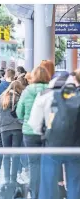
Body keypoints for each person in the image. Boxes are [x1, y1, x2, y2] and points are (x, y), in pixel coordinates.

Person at [28, 71, 80, 199]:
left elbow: (34, 124)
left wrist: (45, 134)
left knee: (48, 184)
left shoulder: (44, 95)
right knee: (75, 183)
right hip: (75, 146)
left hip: (52, 145)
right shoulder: (77, 95)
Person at [16, 66, 51, 199]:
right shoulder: (51, 90)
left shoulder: (27, 91)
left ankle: (35, 194)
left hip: (29, 132)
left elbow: (19, 111)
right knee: (47, 162)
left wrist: (25, 118)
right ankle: (47, 193)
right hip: (47, 131)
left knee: (33, 164)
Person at [0, 80, 24, 183]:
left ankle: (7, 179)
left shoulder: (0, 99)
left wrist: (0, 125)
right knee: (15, 154)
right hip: (17, 127)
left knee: (6, 154)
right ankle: (13, 178)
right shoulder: (21, 98)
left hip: (4, 128)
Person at [0, 68, 15, 177]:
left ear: (5, 75)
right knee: (16, 150)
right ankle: (16, 173)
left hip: (1, 121)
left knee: (0, 146)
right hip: (16, 123)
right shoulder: (17, 86)